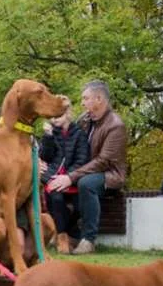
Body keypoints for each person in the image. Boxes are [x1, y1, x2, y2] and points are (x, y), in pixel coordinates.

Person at [46, 80, 127, 255]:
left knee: (85, 183)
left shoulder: (115, 125)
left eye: (86, 98)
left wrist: (71, 176)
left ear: (99, 99)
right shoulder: (85, 119)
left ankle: (88, 240)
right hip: (83, 171)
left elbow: (103, 161)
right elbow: (69, 145)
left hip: (109, 174)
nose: (82, 103)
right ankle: (70, 233)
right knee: (57, 187)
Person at [39, 103, 90, 254]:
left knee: (79, 205)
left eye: (58, 115)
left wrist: (68, 177)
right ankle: (61, 237)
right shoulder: (51, 134)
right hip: (51, 176)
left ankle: (67, 234)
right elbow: (45, 157)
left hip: (71, 178)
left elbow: (81, 160)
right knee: (56, 199)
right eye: (53, 116)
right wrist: (47, 137)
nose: (55, 120)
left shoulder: (79, 134)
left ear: (68, 114)